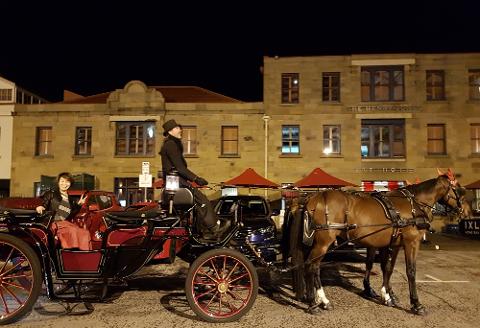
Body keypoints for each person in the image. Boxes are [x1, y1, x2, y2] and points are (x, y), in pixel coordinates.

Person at [160, 119, 224, 240]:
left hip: (176, 181)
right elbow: (180, 168)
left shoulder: (171, 144)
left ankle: (201, 229)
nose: (180, 130)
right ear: (170, 131)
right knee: (202, 200)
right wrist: (196, 179)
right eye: (177, 128)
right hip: (176, 182)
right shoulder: (171, 145)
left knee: (198, 202)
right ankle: (212, 227)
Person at [36, 172, 91, 250]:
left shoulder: (71, 200)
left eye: (67, 182)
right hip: (54, 224)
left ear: (70, 184)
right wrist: (40, 207)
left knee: (85, 233)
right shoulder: (51, 194)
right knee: (73, 231)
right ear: (58, 182)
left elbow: (71, 215)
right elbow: (44, 205)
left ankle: (83, 255)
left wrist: (79, 205)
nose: (64, 184)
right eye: (62, 181)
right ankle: (71, 254)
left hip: (66, 224)